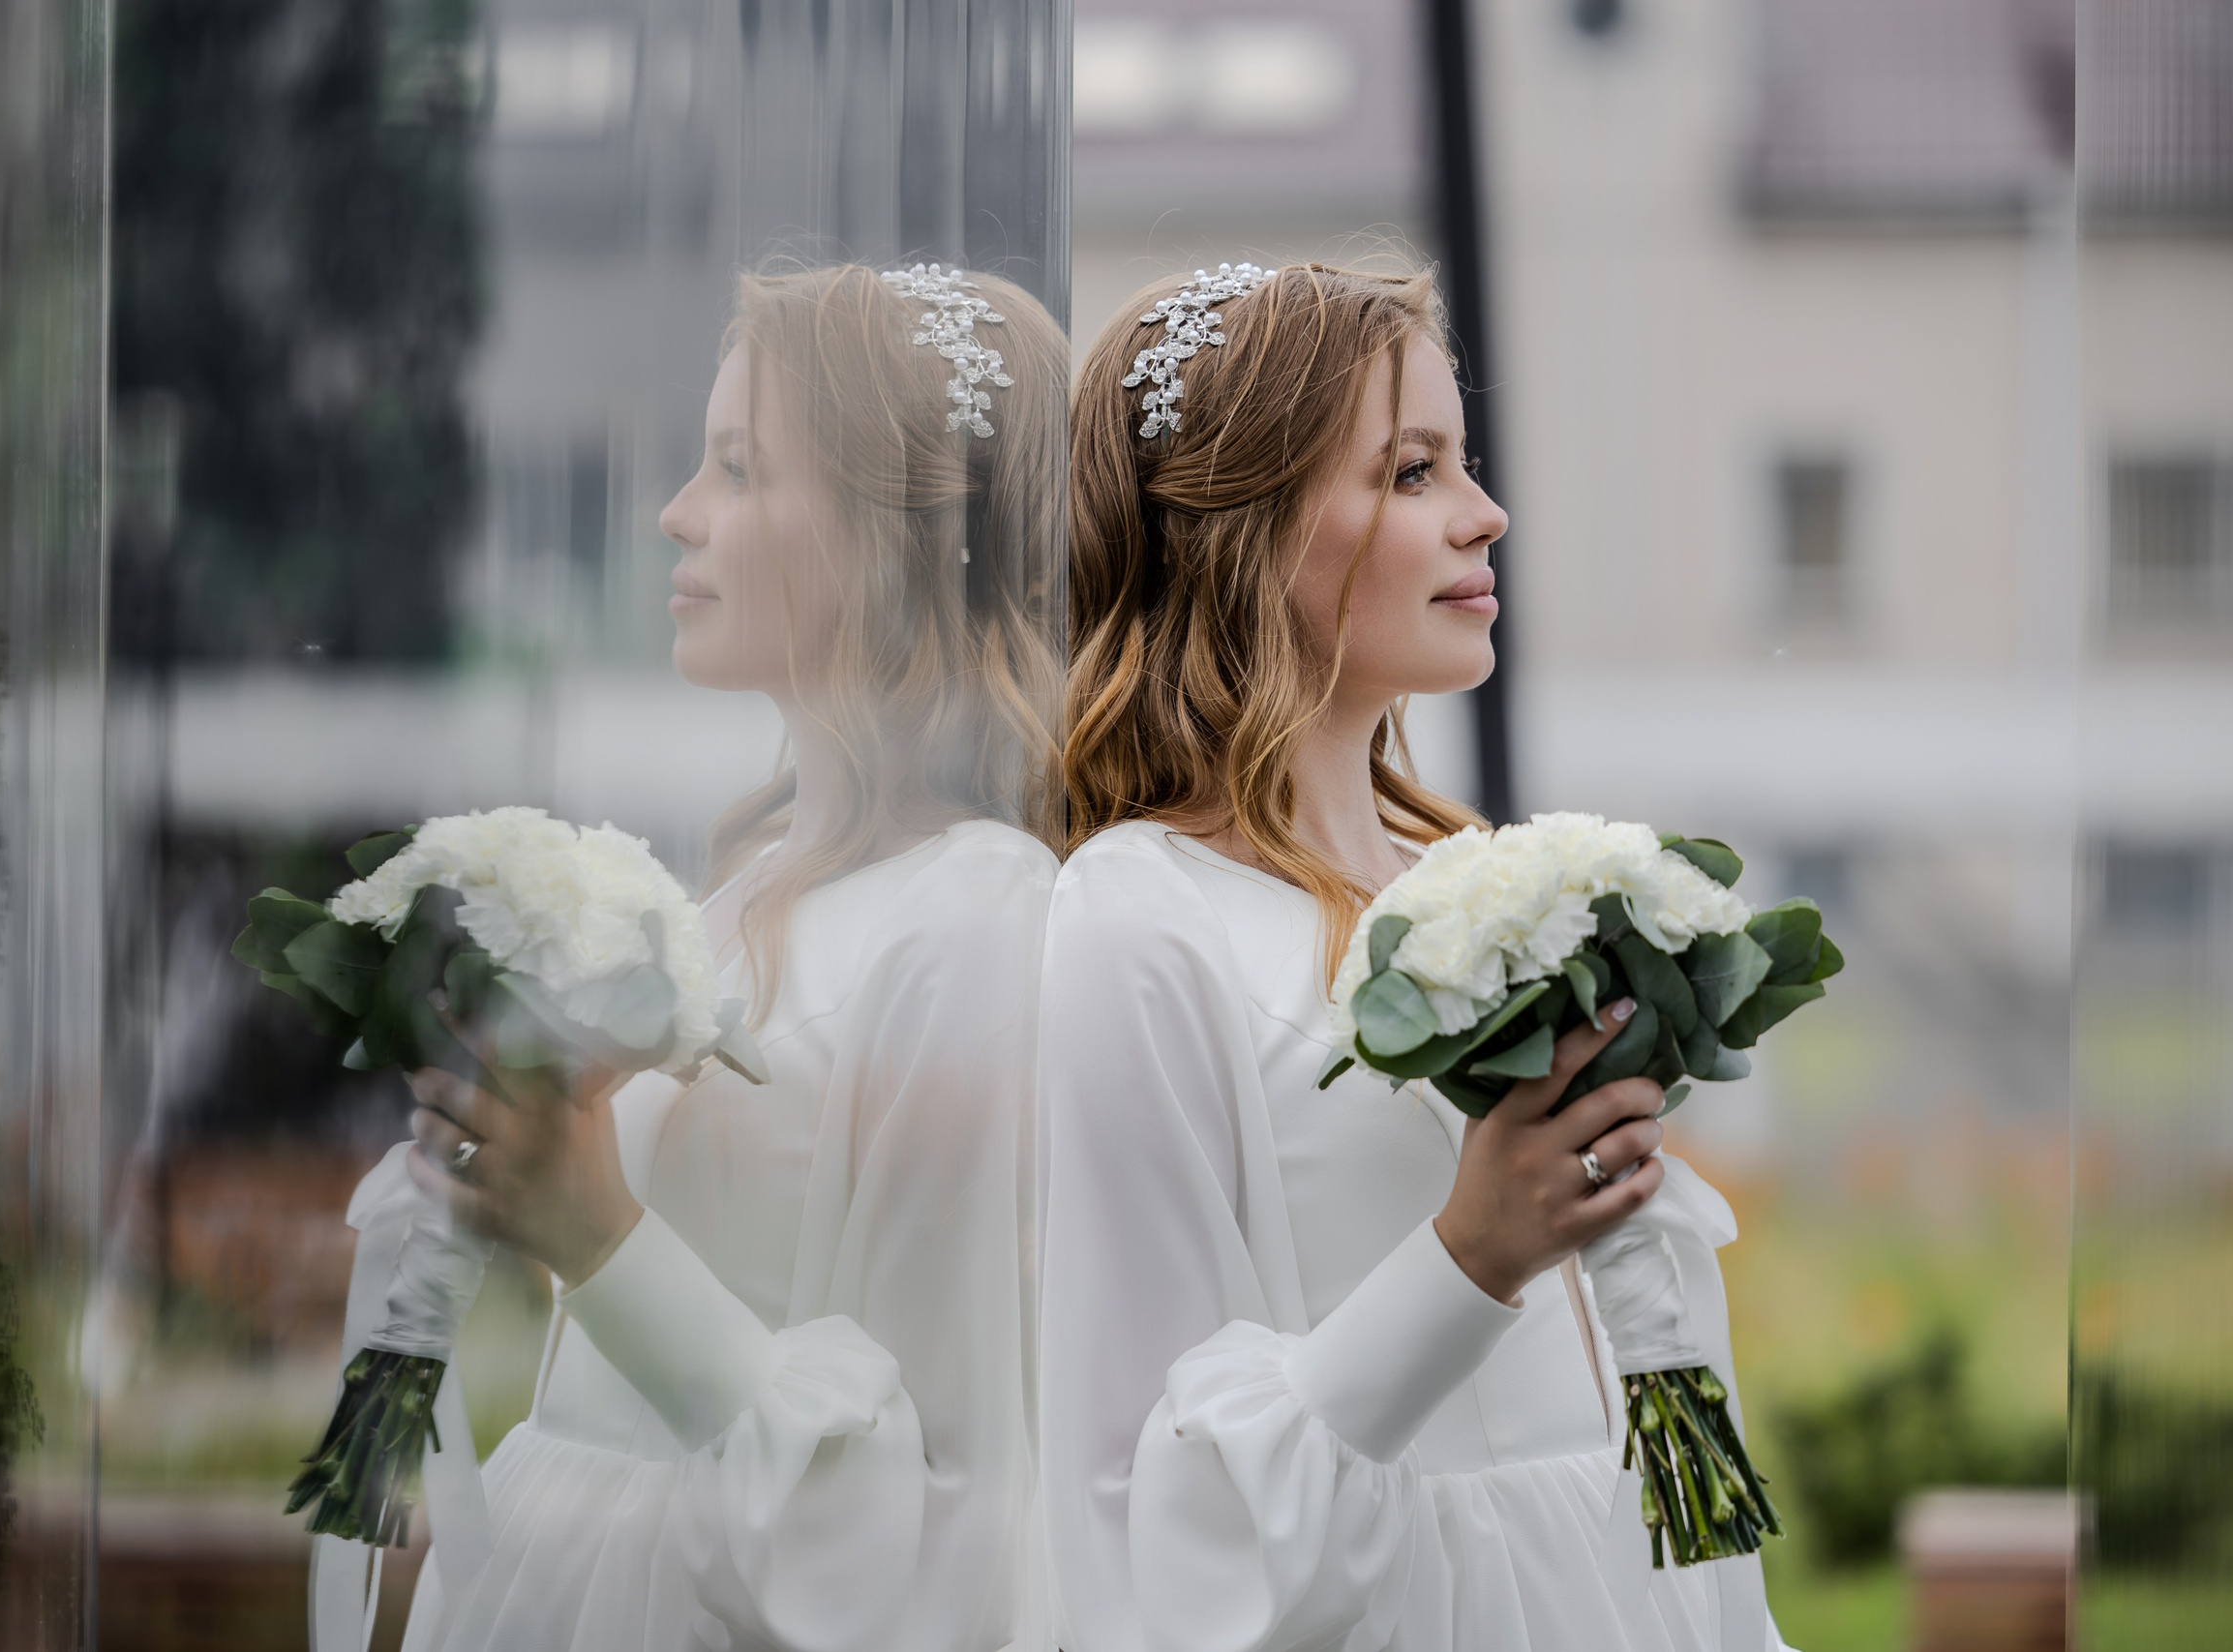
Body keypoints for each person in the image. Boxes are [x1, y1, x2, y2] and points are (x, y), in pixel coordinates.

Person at [1037, 262, 1788, 1652]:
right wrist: (1471, 1256)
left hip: (1608, 1587)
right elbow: (1138, 1490)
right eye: (1413, 471)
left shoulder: (1477, 886)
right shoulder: (1138, 921)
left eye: (1466, 463)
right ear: (1245, 528)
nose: (1485, 514)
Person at [398, 262, 1067, 1652]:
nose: (676, 516)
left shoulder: (977, 923)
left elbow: (946, 1511)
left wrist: (591, 1232)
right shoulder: (743, 890)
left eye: (739, 470)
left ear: (900, 531)